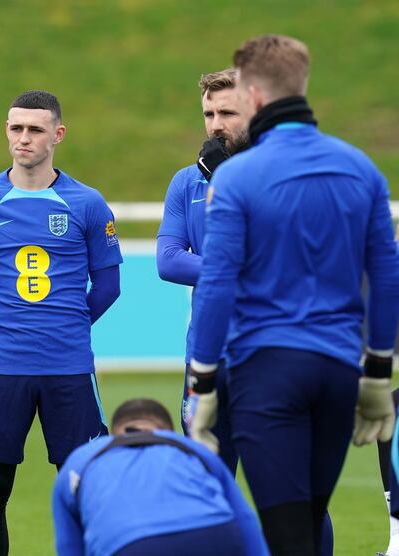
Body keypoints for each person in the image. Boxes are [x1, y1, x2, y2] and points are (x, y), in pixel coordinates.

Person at [188, 34, 399, 556]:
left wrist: (203, 380)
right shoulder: (361, 169)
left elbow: (216, 283)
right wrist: (377, 373)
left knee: (286, 535)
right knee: (307, 520)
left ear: (254, 96)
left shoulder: (236, 177)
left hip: (267, 371)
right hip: (337, 371)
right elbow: (386, 275)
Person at [0, 90, 122, 556]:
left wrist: (68, 323)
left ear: (57, 135)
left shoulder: (86, 203)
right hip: (3, 365)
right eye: (15, 128)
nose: (23, 138)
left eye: (35, 129)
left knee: (87, 488)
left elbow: (108, 285)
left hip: (68, 368)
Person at [156, 68, 253, 472]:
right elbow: (169, 261)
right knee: (206, 483)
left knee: (294, 496)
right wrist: (243, 270)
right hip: (206, 355)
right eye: (208, 114)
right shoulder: (187, 182)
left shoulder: (281, 176)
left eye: (227, 114)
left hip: (267, 352)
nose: (215, 126)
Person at [52, 398, 269, 555]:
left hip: (131, 544)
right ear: (168, 432)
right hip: (217, 534)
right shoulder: (191, 449)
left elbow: (70, 548)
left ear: (117, 433)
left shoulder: (82, 459)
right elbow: (245, 519)